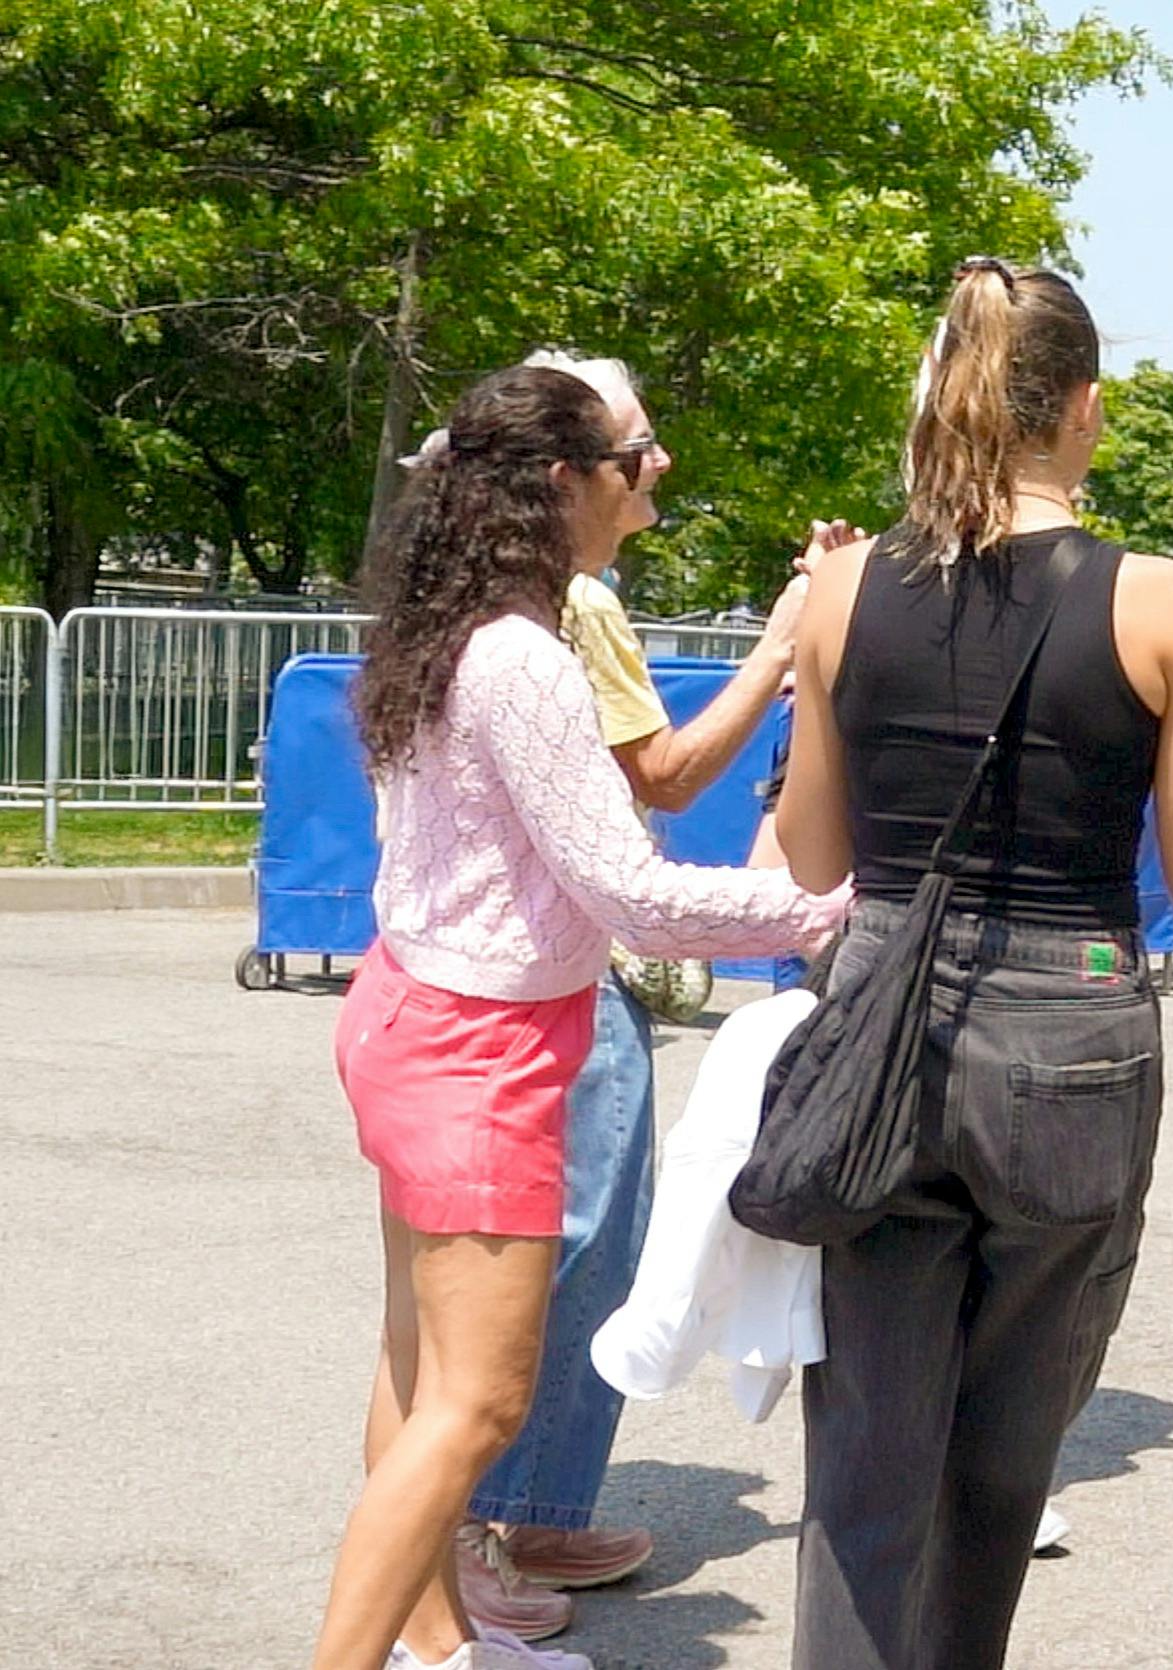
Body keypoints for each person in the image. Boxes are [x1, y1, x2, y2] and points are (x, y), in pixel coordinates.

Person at [772, 256, 1173, 1669]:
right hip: (1064, 1030)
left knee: (866, 1461)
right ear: (1084, 407)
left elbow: (813, 858)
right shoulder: (1152, 601)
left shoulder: (839, 588)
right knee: (1004, 1457)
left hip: (879, 1015)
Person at [313, 364, 847, 1670]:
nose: (651, 470)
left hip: (418, 1021)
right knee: (481, 1400)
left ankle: (439, 1643)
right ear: (563, 483)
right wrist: (824, 908)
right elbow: (633, 895)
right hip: (475, 1052)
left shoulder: (456, 631)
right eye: (632, 454)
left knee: (419, 1378)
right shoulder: (525, 659)